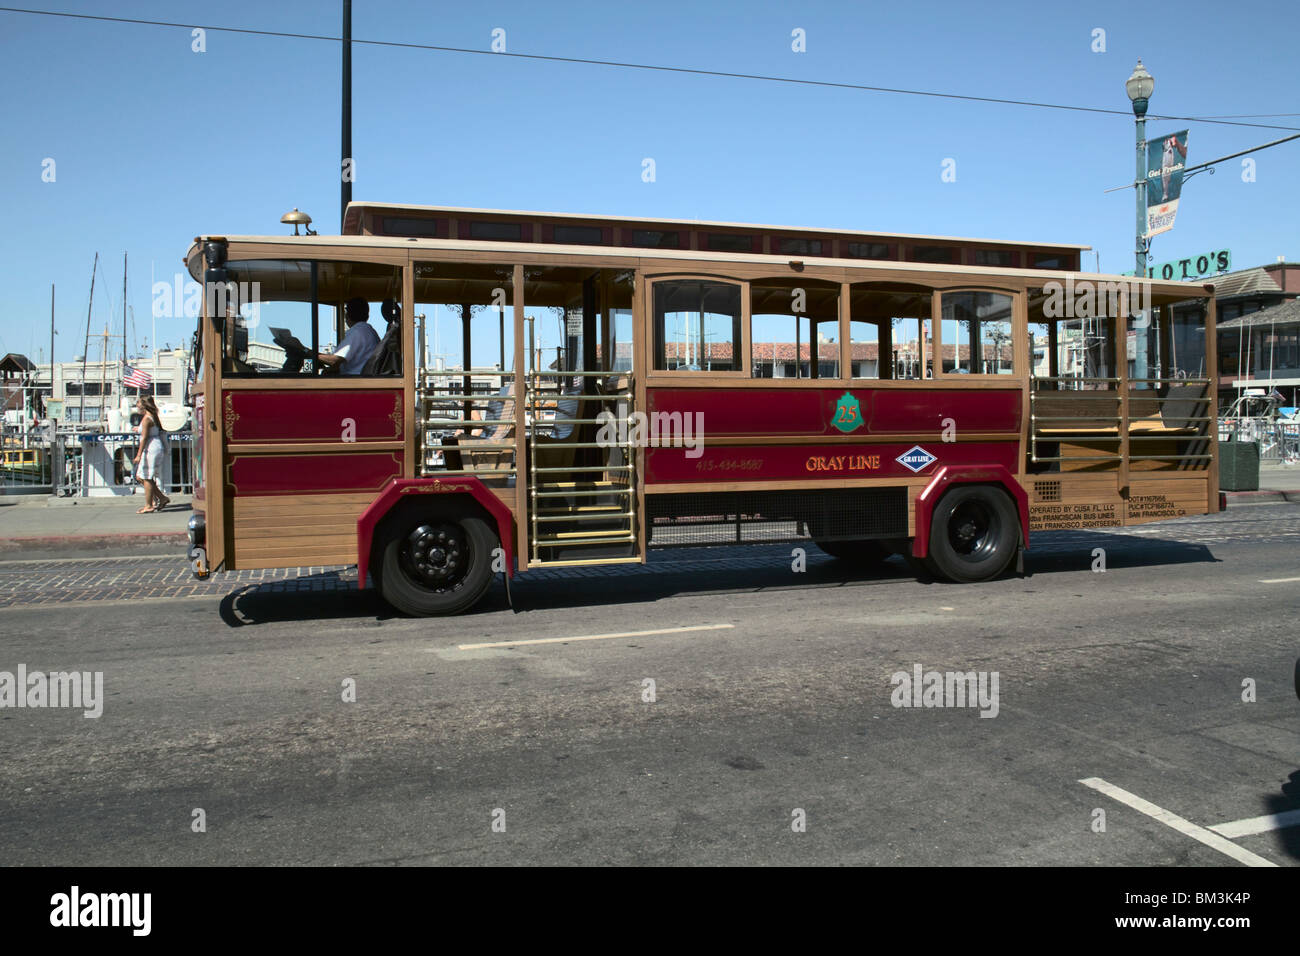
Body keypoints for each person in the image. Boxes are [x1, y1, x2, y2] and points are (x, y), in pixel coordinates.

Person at [317, 298, 380, 374]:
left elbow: (335, 360)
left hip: (356, 381)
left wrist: (307, 351)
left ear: (347, 315)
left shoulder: (357, 331)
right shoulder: (369, 330)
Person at [132, 395, 171, 513]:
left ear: (144, 405)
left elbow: (144, 438)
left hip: (151, 449)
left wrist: (138, 454)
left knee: (146, 477)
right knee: (140, 476)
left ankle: (149, 505)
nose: (137, 406)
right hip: (154, 447)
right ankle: (161, 498)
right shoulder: (152, 417)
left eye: (138, 404)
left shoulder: (147, 419)